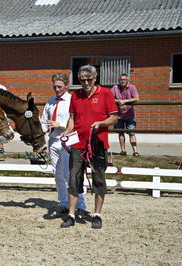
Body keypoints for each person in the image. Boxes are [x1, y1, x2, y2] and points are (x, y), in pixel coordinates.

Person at [60, 65, 118, 229]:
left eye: (89, 79)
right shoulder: (75, 96)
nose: (85, 83)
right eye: (82, 80)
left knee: (98, 179)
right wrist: (66, 131)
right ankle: (71, 214)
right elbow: (72, 118)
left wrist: (101, 123)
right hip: (78, 143)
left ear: (95, 78)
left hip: (98, 143)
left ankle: (97, 215)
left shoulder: (106, 93)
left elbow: (113, 118)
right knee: (74, 178)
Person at [41, 73, 86, 217]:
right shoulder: (50, 102)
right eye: (54, 86)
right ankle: (63, 202)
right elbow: (44, 122)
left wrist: (59, 125)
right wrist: (44, 141)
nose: (57, 89)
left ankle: (80, 204)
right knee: (58, 174)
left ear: (66, 86)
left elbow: (76, 121)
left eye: (59, 87)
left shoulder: (73, 100)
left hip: (67, 140)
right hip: (53, 140)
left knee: (70, 174)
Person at [111, 74, 140, 156]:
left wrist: (125, 101)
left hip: (129, 114)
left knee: (132, 133)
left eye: (124, 79)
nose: (122, 81)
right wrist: (118, 101)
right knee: (121, 133)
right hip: (119, 115)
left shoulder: (132, 87)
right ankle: (123, 151)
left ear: (127, 80)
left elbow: (137, 98)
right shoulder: (115, 88)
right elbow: (110, 98)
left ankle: (135, 151)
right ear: (119, 80)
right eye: (121, 79)